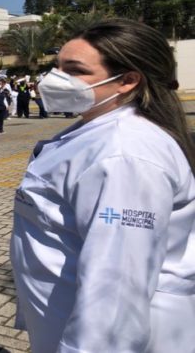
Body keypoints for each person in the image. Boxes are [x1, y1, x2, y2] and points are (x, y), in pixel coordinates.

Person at [11, 19, 195, 353]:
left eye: (75, 70)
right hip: (63, 320)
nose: (55, 79)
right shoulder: (97, 132)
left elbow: (116, 289)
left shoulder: (125, 155)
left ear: (127, 81)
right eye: (58, 67)